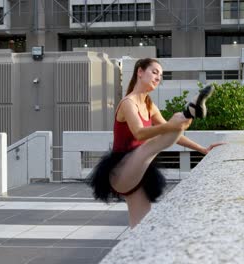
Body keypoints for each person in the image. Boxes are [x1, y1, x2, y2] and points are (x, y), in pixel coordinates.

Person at [88, 58, 224, 228]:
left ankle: (188, 112)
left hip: (138, 174)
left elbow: (172, 133)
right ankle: (188, 112)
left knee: (141, 226)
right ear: (140, 72)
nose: (158, 77)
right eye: (154, 72)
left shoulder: (149, 105)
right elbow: (139, 132)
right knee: (155, 141)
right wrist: (171, 125)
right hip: (121, 170)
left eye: (161, 75)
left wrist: (201, 149)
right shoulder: (127, 103)